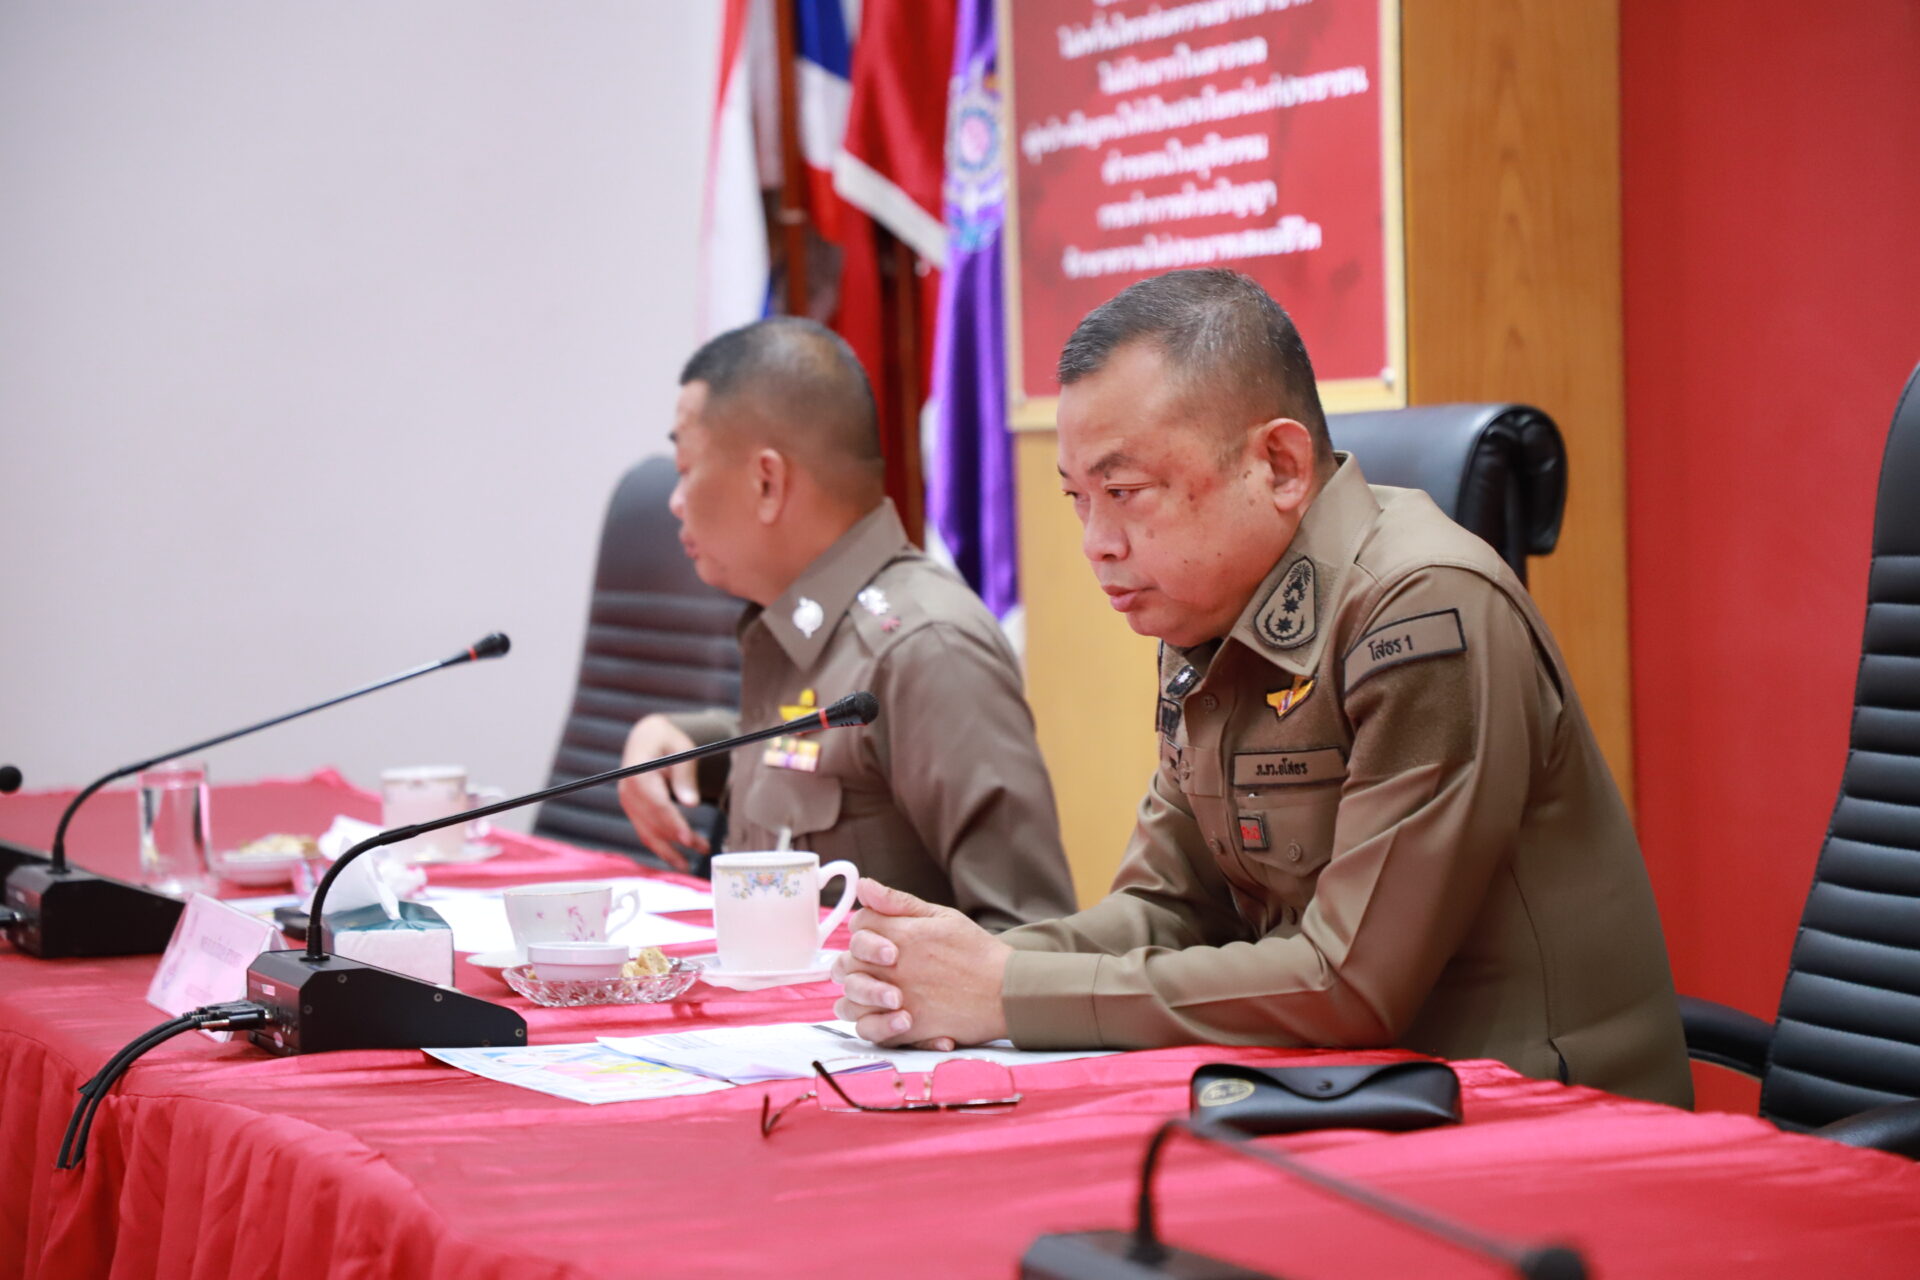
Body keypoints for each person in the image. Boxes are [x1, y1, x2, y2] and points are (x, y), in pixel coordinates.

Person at [832, 269, 1693, 1106]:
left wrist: (1007, 990)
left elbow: (1349, 984)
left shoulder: (1425, 610)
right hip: (1345, 1100)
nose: (1098, 542)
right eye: (1078, 499)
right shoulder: (1206, 614)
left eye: (1126, 492)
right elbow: (1167, 909)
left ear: (1279, 466)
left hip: (1539, 1122)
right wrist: (955, 965)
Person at [617, 316, 1076, 932]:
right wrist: (689, 741)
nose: (675, 502)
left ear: (767, 482)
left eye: (685, 469)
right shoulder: (802, 623)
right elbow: (821, 757)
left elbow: (1029, 938)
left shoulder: (926, 648)